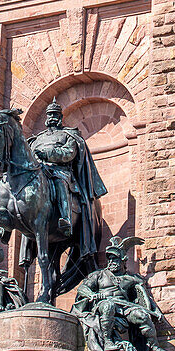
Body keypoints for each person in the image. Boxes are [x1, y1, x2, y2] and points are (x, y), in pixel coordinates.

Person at [71, 236, 171, 351]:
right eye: (110, 259)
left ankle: (155, 347)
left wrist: (155, 311)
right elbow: (83, 288)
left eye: (115, 259)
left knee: (142, 316)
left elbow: (144, 298)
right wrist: (93, 295)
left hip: (125, 307)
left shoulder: (131, 278)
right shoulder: (99, 275)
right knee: (108, 306)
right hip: (103, 304)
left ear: (123, 260)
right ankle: (107, 341)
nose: (111, 261)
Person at [29, 99, 106, 250]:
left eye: (54, 115)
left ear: (60, 117)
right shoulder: (37, 139)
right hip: (40, 172)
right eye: (49, 115)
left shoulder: (68, 135)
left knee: (60, 182)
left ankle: (65, 219)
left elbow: (69, 153)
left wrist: (49, 153)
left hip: (61, 171)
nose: (51, 118)